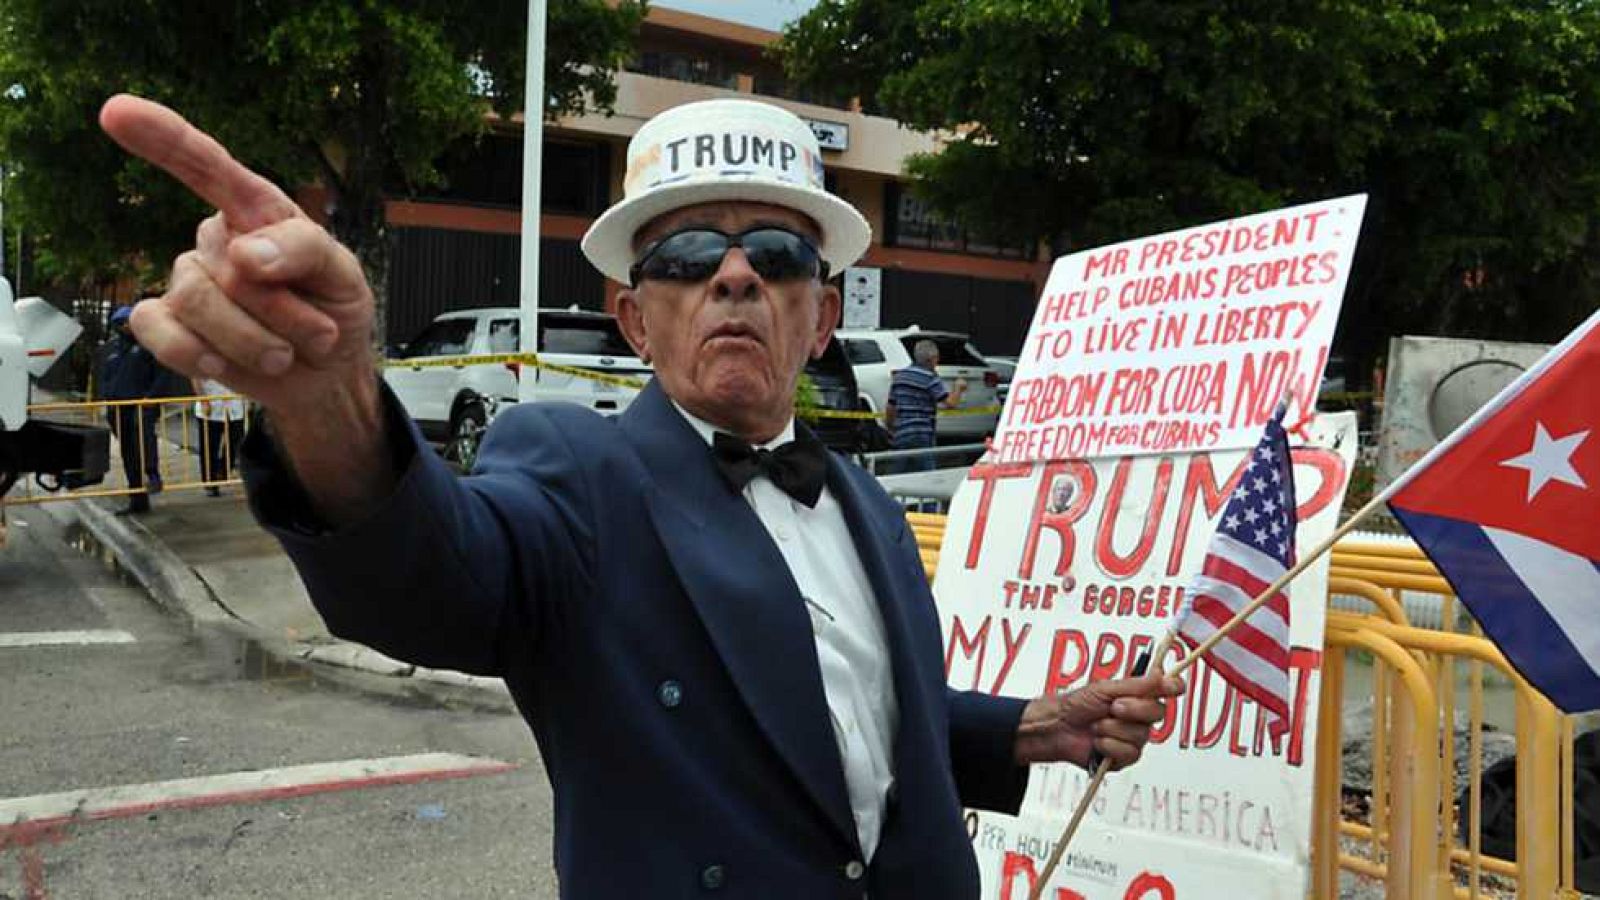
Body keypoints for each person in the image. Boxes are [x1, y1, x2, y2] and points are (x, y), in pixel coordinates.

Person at [99, 94, 1184, 898]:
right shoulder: (578, 472)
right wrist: (332, 400)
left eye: (773, 250)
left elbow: (848, 715)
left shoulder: (865, 506)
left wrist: (1028, 728)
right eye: (687, 256)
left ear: (817, 318)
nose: (735, 274)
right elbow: (431, 581)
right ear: (633, 321)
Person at [97, 305, 164, 514]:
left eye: (129, 322)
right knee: (129, 455)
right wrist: (107, 397)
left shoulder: (148, 345)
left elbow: (162, 375)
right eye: (122, 323)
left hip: (141, 406)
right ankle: (137, 500)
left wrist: (151, 398)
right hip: (118, 409)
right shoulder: (113, 349)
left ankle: (153, 476)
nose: (126, 326)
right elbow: (105, 377)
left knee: (144, 444)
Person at [884, 338, 965, 474]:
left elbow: (891, 406)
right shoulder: (930, 378)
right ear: (932, 359)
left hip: (902, 432)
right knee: (926, 474)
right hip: (922, 433)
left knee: (897, 473)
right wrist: (958, 388)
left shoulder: (900, 376)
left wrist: (891, 427)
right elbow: (951, 403)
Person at [191, 376, 245, 495]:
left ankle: (223, 469)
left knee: (236, 441)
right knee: (209, 446)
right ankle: (210, 482)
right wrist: (204, 401)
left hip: (234, 404)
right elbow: (195, 378)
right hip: (211, 404)